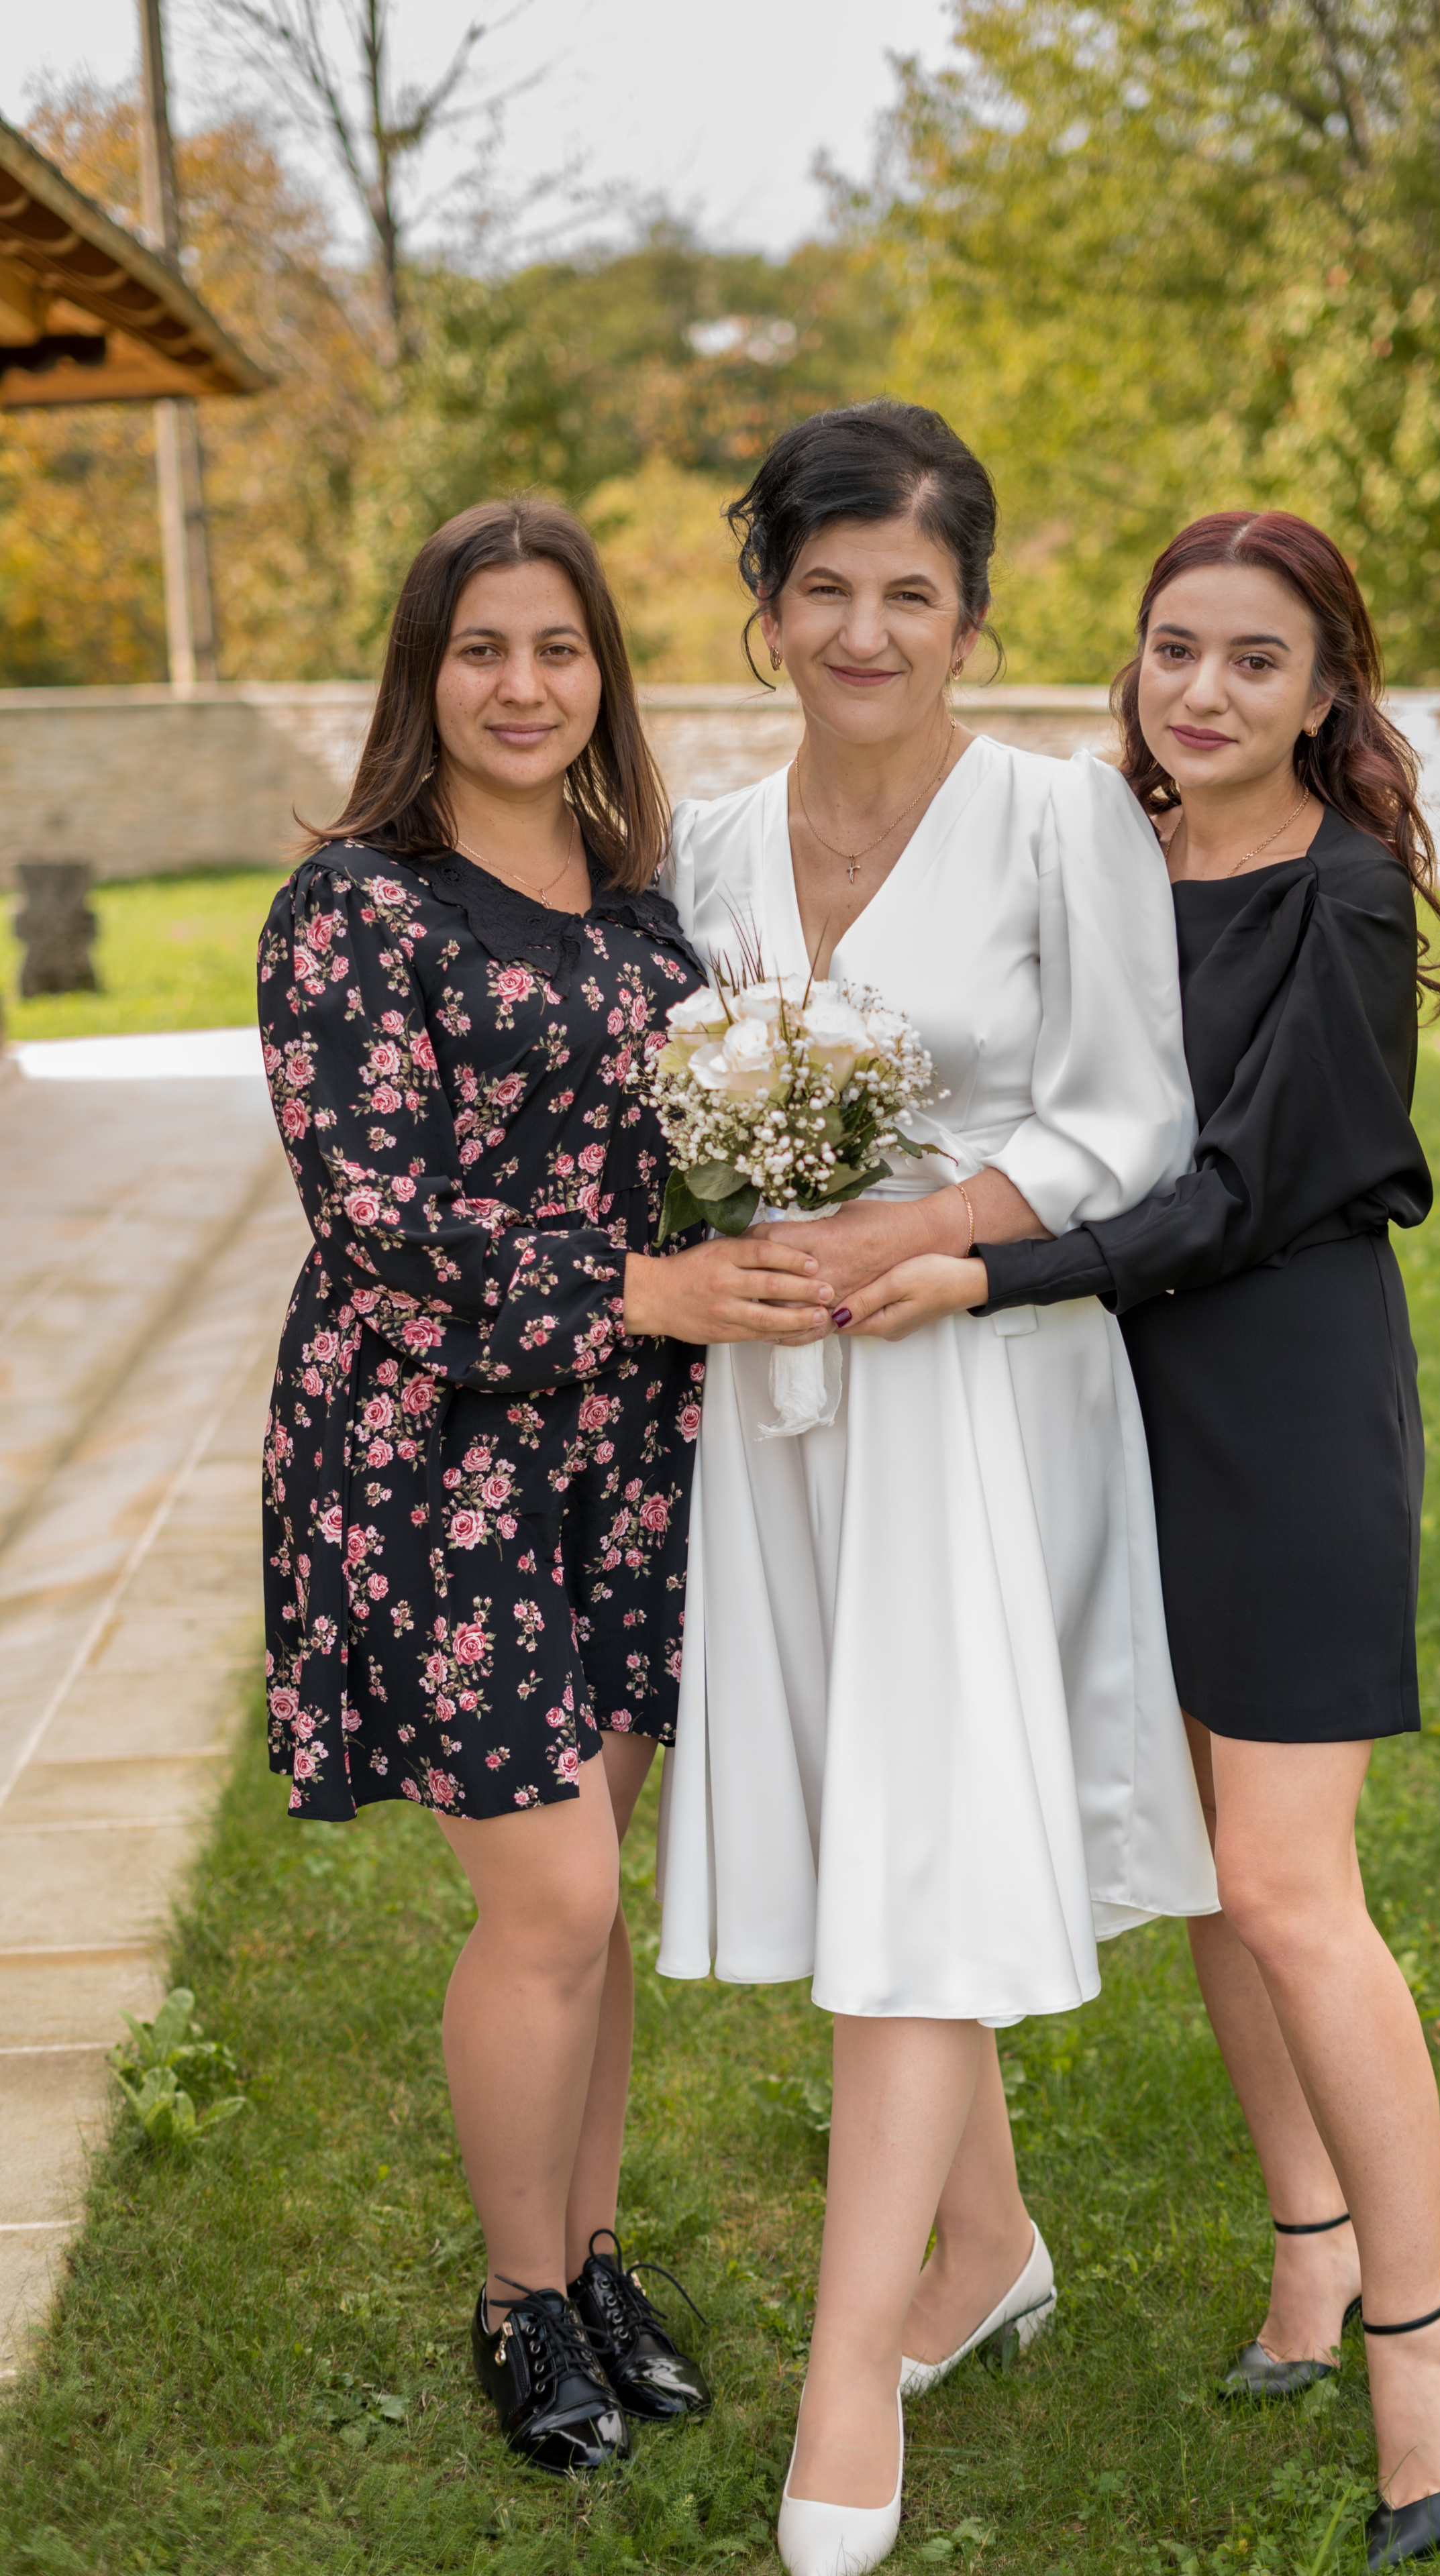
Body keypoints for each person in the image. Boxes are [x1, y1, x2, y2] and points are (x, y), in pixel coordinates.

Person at [837, 509, 1440, 2573]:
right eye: (1174, 648)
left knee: (1294, 1885)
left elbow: (1227, 1191)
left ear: (1325, 691)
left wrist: (984, 1277)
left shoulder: (1343, 893)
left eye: (1254, 659)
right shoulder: (1096, 853)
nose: (1202, 691)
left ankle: (1426, 2336)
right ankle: (1310, 2246)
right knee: (1216, 1874)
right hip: (1111, 1405)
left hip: (1281, 1401)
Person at [652, 401, 1217, 2576]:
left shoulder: (1062, 818)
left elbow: (1131, 1118)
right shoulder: (706, 848)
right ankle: (985, 2252)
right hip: (781, 1412)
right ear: (768, 606)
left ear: (973, 617)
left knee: (914, 1840)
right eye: (826, 589)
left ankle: (843, 2381)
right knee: (874, 1822)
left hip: (978, 1390)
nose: (866, 632)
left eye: (912, 594)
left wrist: (921, 1230)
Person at [258, 498, 833, 2479]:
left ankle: (589, 2260)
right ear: (424, 672)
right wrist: (647, 1290)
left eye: (560, 647)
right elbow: (376, 1218)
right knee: (557, 1894)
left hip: (626, 1454)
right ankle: (517, 2301)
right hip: (430, 1446)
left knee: (590, 1900)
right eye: (483, 648)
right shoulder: (354, 907)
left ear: (605, 671)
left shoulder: (643, 904)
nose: (523, 685)